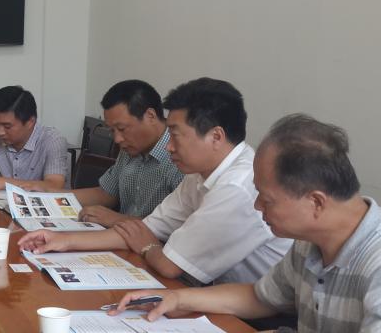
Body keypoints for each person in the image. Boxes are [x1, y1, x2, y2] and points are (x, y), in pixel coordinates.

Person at [111, 114, 381, 333]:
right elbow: (259, 296)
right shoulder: (310, 243)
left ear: (316, 202)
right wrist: (178, 298)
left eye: (267, 199)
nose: (257, 206)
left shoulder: (375, 257)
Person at [19, 78, 291, 285]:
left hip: (258, 314)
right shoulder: (199, 174)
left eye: (175, 135)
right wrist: (62, 241)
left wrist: (148, 246)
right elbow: (144, 229)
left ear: (216, 137)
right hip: (210, 291)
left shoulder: (236, 185)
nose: (169, 146)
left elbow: (169, 264)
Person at [74, 80, 184, 226]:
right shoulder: (129, 148)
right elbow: (106, 193)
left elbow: (177, 226)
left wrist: (116, 219)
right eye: (112, 130)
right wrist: (50, 196)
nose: (117, 139)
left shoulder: (181, 157)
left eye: (122, 129)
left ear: (150, 116)